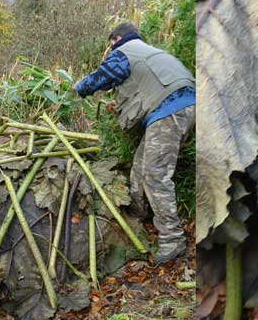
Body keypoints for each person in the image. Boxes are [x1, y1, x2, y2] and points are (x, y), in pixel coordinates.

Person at [73, 22, 195, 263]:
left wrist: (79, 88)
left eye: (111, 45)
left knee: (154, 175)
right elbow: (144, 87)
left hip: (169, 112)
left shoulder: (125, 51)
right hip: (183, 108)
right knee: (140, 169)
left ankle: (173, 240)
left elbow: (103, 75)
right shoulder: (153, 52)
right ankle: (139, 218)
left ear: (117, 38)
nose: (110, 50)